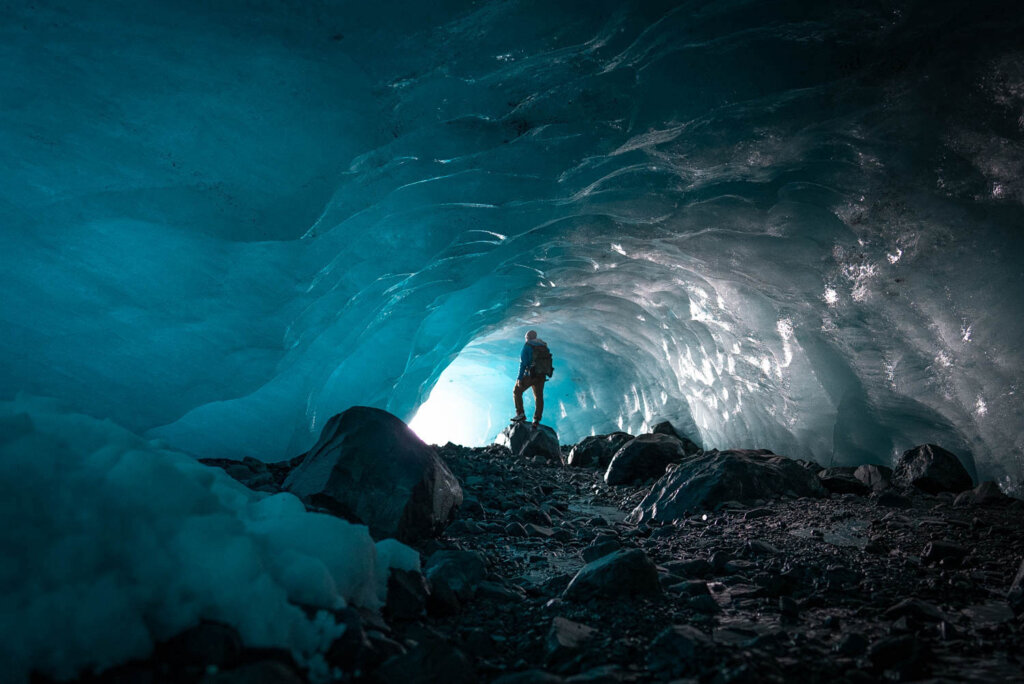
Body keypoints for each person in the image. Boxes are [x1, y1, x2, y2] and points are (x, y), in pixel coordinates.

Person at [511, 330, 551, 425]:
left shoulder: (527, 346)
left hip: (530, 375)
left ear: (528, 338)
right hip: (541, 375)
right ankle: (537, 419)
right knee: (539, 396)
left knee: (517, 391)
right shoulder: (544, 346)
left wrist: (520, 378)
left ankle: (520, 414)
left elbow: (523, 364)